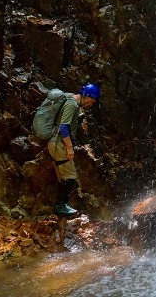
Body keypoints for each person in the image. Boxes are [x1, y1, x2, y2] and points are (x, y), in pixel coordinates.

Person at [47, 83, 100, 216]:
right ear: (87, 97)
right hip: (59, 144)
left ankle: (61, 207)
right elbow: (64, 128)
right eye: (91, 102)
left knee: (64, 177)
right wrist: (70, 149)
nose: (90, 105)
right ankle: (60, 206)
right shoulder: (72, 104)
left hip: (55, 143)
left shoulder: (71, 100)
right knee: (70, 176)